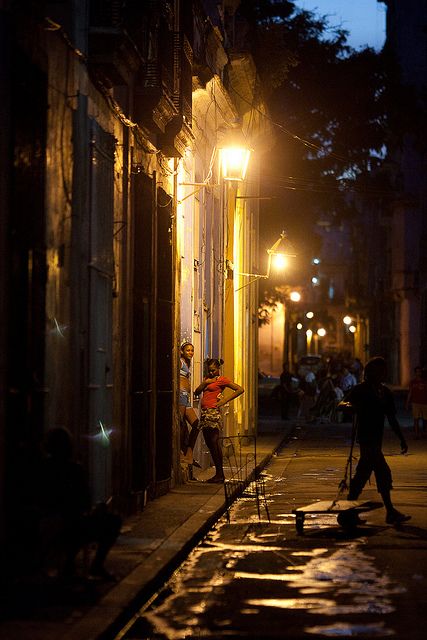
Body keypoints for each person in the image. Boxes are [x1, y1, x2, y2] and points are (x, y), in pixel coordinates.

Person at [36, 427, 122, 580]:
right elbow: (84, 503)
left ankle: (68, 565)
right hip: (70, 526)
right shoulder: (74, 470)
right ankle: (94, 566)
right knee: (112, 521)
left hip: (45, 525)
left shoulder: (41, 469)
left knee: (72, 523)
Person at [342, 356, 410, 525]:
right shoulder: (361, 390)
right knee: (382, 473)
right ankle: (389, 512)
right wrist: (353, 408)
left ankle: (349, 512)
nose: (384, 374)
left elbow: (392, 418)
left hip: (376, 440)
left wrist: (401, 438)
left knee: (365, 475)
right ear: (373, 373)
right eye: (381, 371)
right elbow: (343, 404)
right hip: (366, 439)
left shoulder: (385, 393)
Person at [195, 358, 244, 483]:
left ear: (218, 369)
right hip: (205, 413)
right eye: (209, 370)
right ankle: (219, 474)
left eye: (213, 370)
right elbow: (197, 392)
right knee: (210, 444)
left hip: (213, 412)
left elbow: (239, 389)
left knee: (214, 443)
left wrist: (223, 401)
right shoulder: (207, 379)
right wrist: (206, 382)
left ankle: (220, 474)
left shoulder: (222, 380)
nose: (211, 372)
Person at [179, 341, 201, 466]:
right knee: (180, 424)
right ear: (182, 351)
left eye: (192, 350)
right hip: (180, 396)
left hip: (186, 397)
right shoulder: (180, 362)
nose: (190, 353)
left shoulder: (188, 363)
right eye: (188, 350)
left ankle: (189, 452)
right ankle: (179, 452)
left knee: (197, 424)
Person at [406, 365, 427, 439]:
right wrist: (407, 403)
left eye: (420, 372)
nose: (419, 373)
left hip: (424, 402)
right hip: (415, 402)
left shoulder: (425, 381)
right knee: (416, 418)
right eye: (417, 372)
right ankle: (416, 433)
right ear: (415, 373)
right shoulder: (412, 382)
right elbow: (410, 393)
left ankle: (424, 432)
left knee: (425, 419)